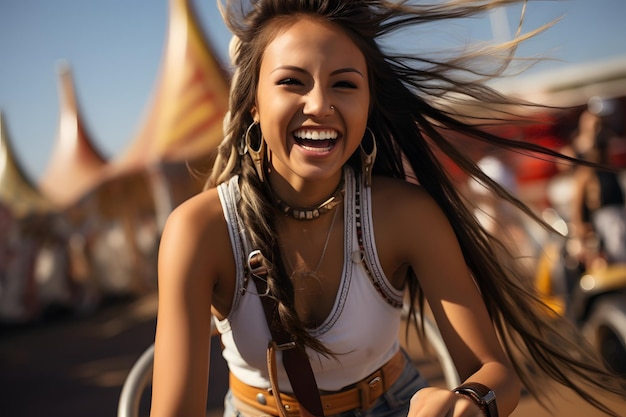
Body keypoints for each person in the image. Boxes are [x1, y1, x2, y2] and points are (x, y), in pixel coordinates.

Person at [150, 1, 625, 416]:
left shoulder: (406, 216)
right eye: (292, 82)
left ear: (367, 103)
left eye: (345, 85)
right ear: (253, 102)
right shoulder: (198, 231)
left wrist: (471, 401)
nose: (319, 104)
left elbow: (495, 372)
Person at [570, 109, 626, 270]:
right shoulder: (585, 175)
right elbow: (578, 214)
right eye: (594, 128)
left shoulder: (611, 169)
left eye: (600, 127)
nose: (599, 134)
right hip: (605, 232)